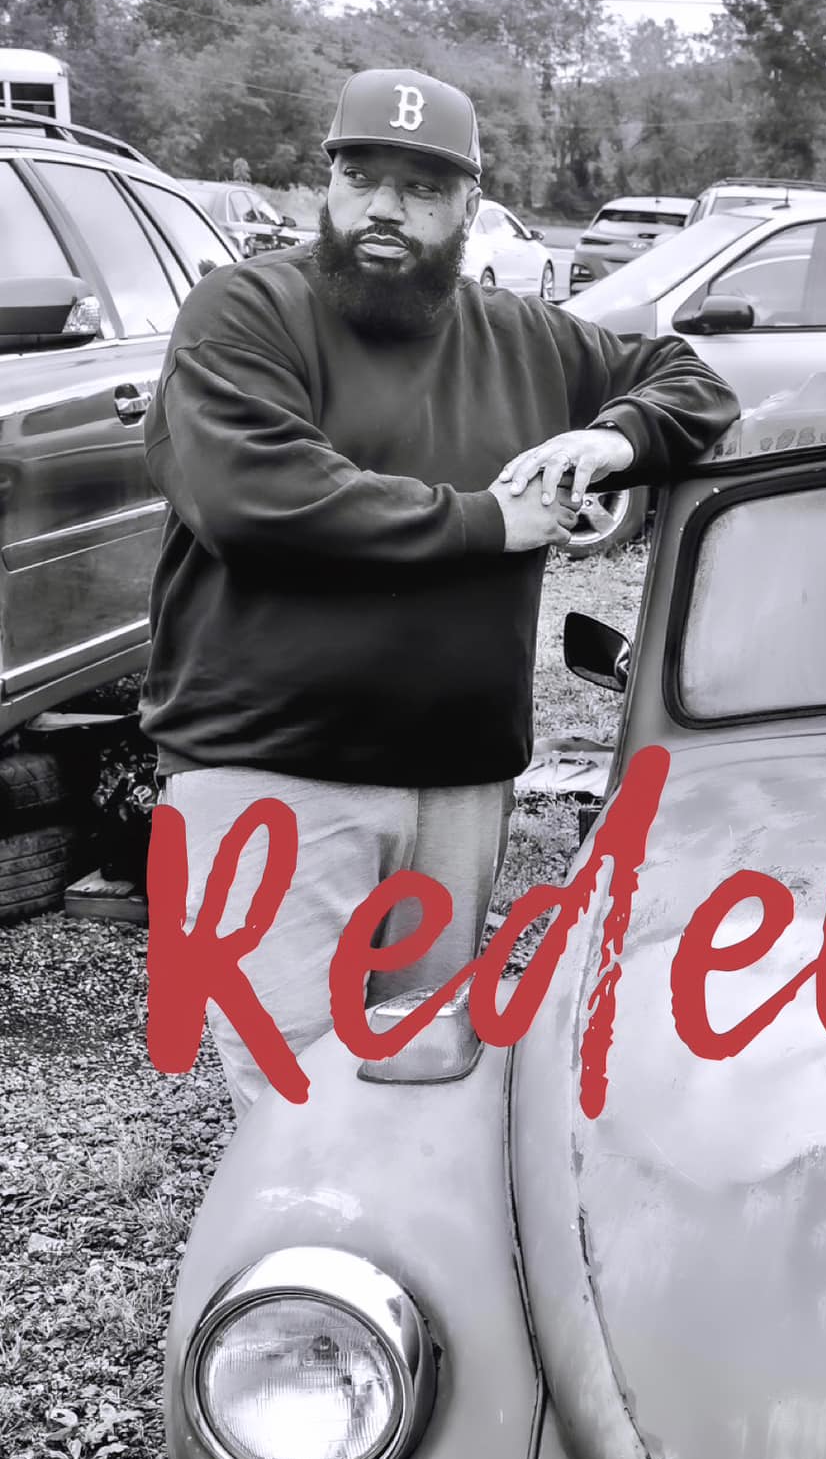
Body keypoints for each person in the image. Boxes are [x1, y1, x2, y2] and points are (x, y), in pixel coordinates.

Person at [142, 68, 739, 1114]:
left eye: (421, 188)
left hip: (458, 780)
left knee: (422, 1083)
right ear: (325, 184)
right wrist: (487, 520)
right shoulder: (247, 309)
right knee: (299, 1109)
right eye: (360, 177)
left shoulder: (527, 337)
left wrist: (612, 438)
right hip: (270, 775)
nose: (384, 208)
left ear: (470, 204)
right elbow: (257, 498)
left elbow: (695, 384)